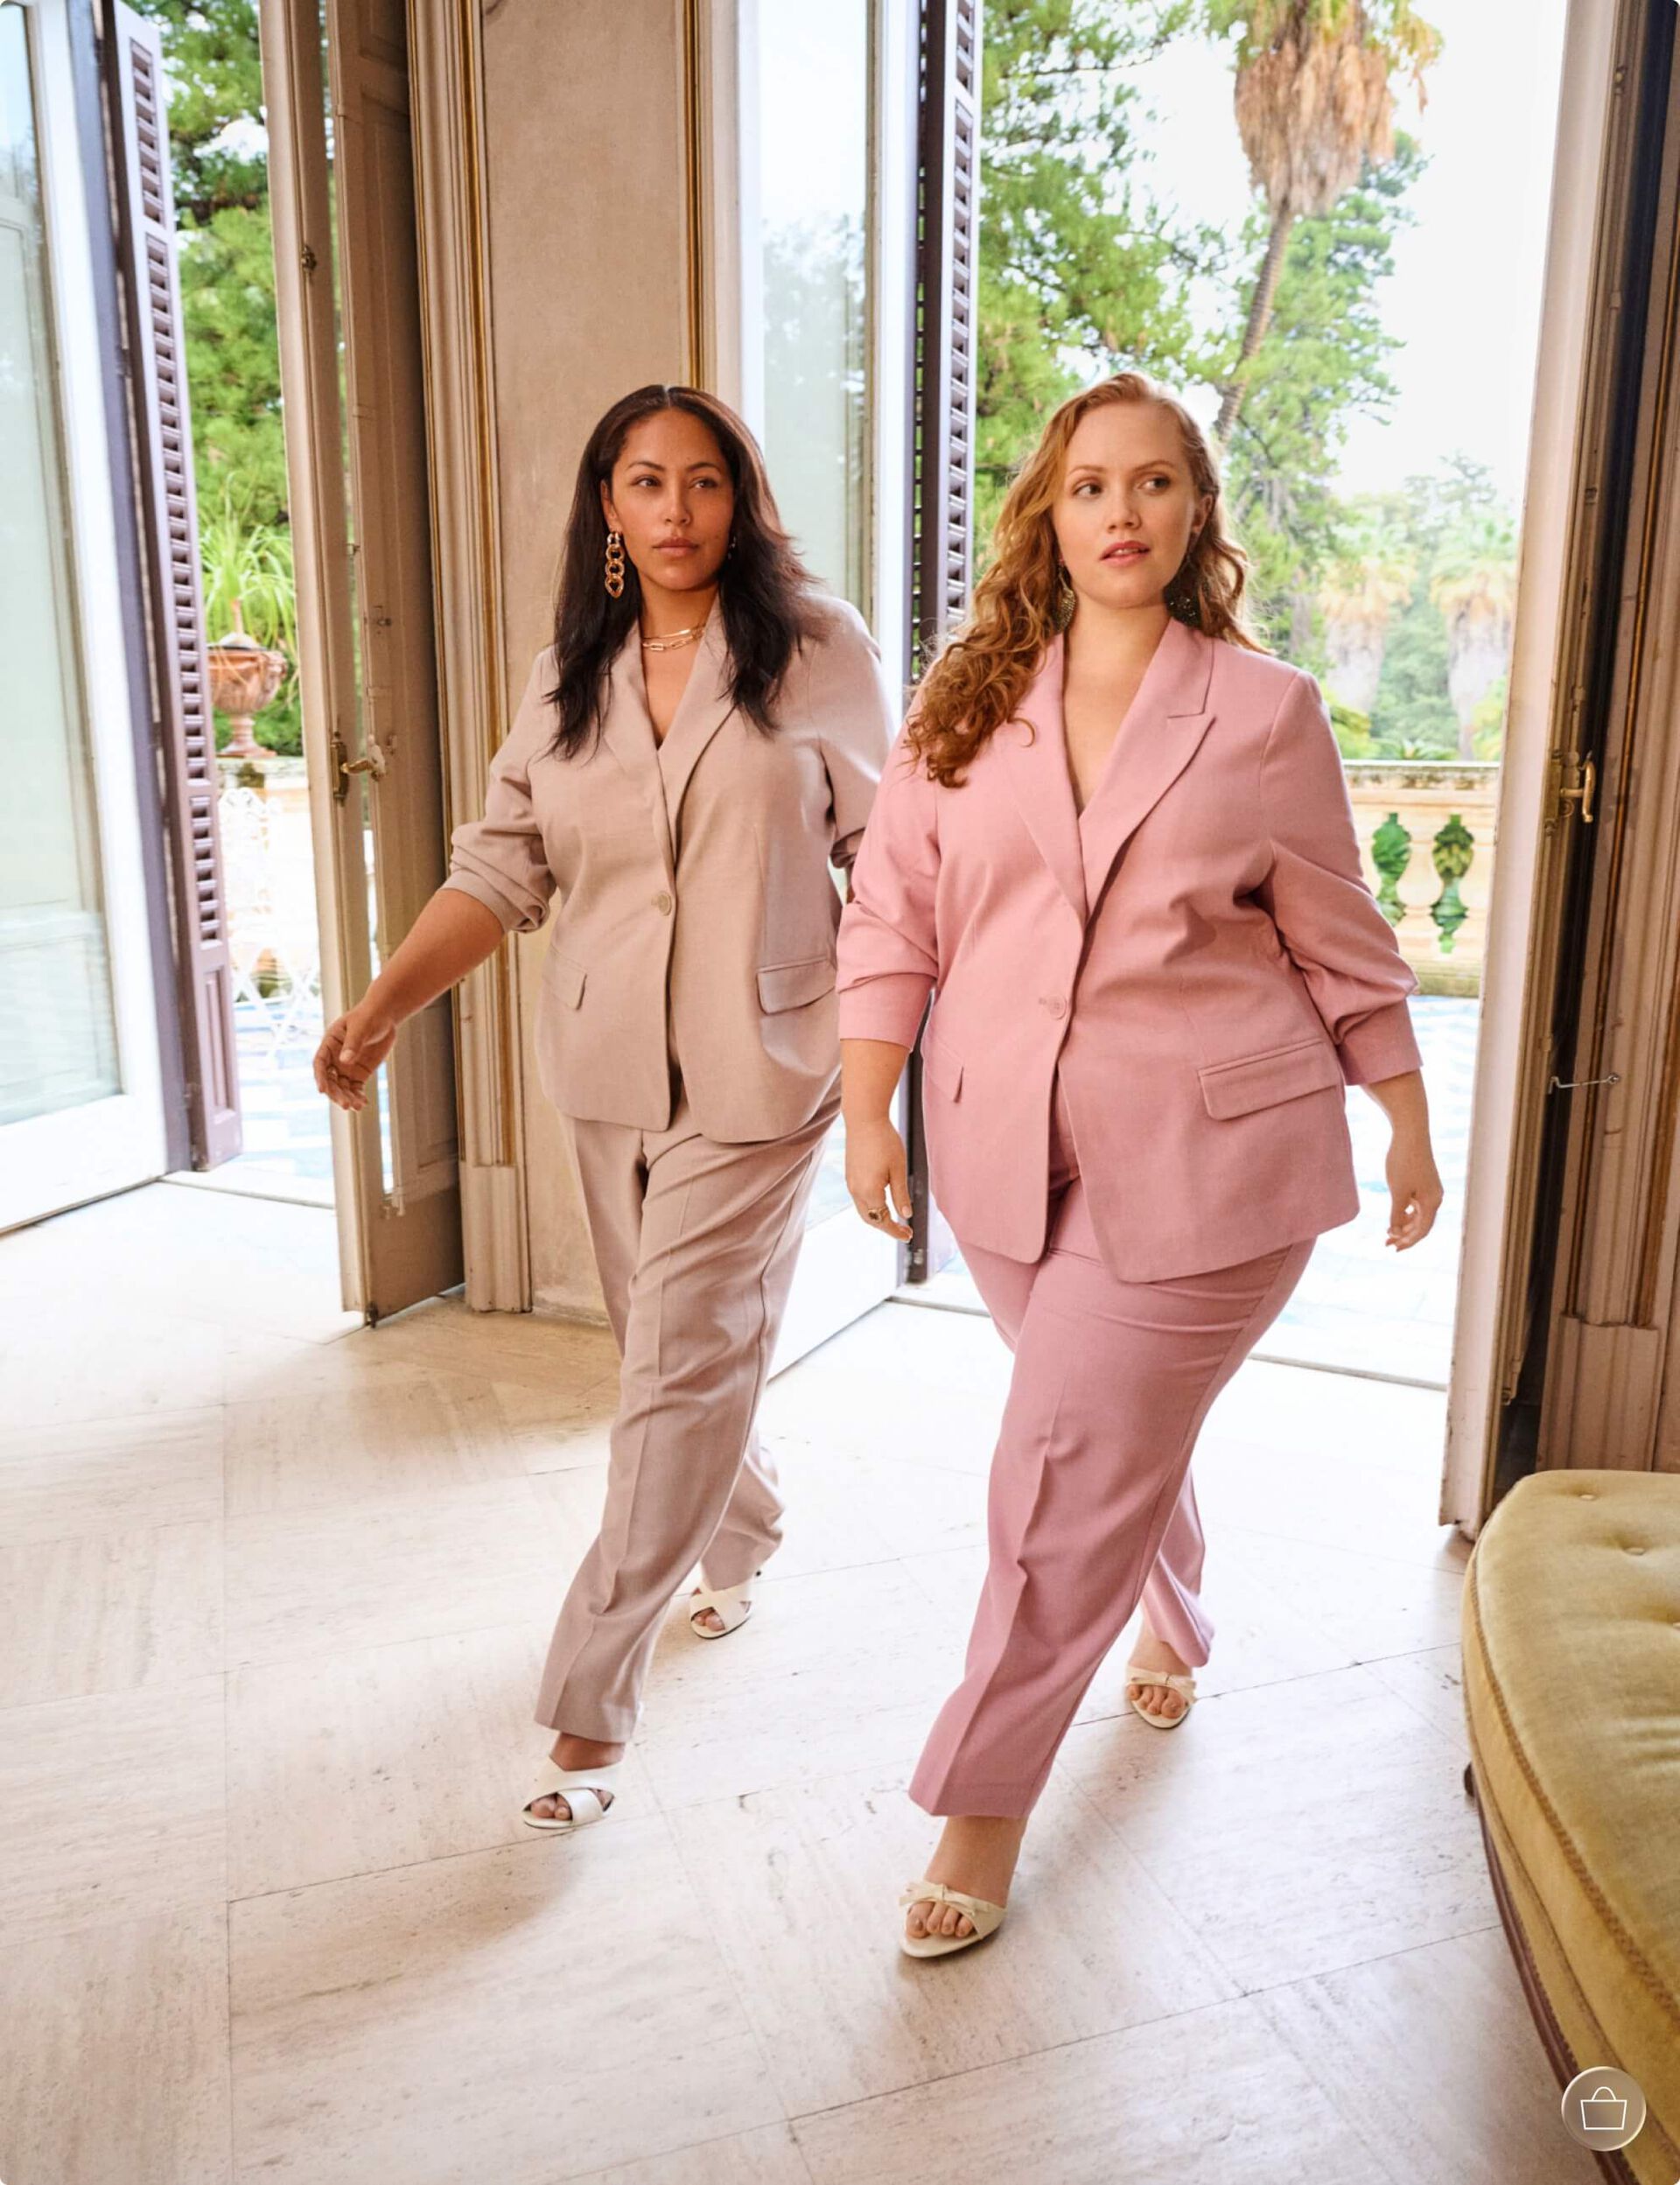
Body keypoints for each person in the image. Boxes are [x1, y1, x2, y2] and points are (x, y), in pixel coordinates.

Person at [835, 370, 1443, 1957]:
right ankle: (1175, 1603)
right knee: (1102, 1432)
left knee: (1054, 1468)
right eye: (1092, 483)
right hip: (1003, 1151)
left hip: (1213, 1164)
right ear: (1049, 510)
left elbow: (1340, 934)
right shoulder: (963, 706)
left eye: (1155, 482)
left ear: (1195, 513)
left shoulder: (1265, 712)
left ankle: (980, 1807)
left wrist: (1404, 1114)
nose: (1123, 510)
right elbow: (893, 914)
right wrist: (866, 1102)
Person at [315, 383, 895, 1832]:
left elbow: (894, 866)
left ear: (740, 501)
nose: (677, 508)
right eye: (647, 481)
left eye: (705, 480)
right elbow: (501, 868)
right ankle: (746, 1529)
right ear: (610, 508)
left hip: (766, 1064)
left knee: (673, 1369)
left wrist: (894, 1075)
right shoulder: (569, 670)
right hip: (608, 1064)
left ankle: (589, 1707)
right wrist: (383, 1006)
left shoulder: (817, 646)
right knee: (670, 1348)